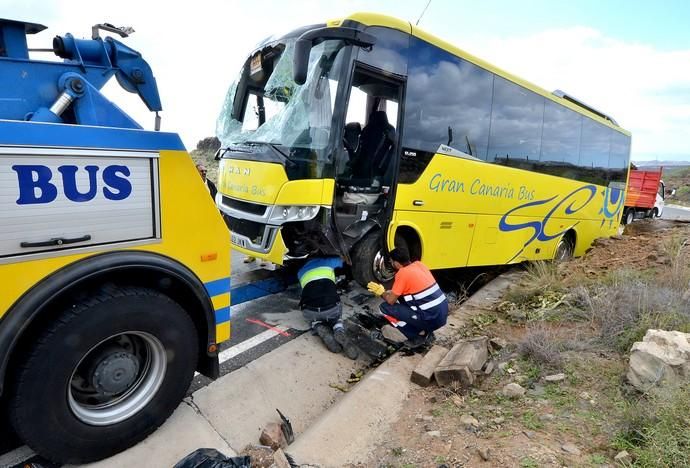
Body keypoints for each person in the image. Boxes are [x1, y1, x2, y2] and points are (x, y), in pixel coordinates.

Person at [367, 247, 448, 347]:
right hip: (442, 315)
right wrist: (391, 292)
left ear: (396, 263)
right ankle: (427, 332)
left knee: (384, 308)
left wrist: (381, 293)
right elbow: (415, 288)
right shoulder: (419, 265)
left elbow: (391, 301)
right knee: (403, 299)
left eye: (391, 261)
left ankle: (415, 336)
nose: (391, 264)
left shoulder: (402, 273)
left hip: (431, 320)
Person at [298, 256, 358, 360]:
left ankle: (318, 326)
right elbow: (345, 259)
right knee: (336, 316)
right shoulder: (329, 261)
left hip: (310, 310)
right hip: (331, 309)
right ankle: (338, 329)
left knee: (312, 318)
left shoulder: (300, 271)